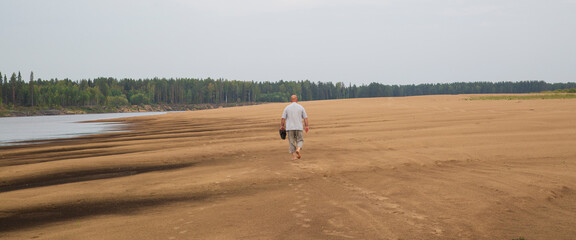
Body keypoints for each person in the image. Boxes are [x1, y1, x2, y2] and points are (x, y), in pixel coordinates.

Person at [280, 95, 309, 160]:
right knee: (300, 140)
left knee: (291, 142)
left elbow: (283, 118)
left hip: (290, 128)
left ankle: (294, 156)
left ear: (291, 100)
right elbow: (305, 118)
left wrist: (282, 126)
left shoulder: (287, 108)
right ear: (297, 99)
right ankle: (298, 149)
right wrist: (306, 126)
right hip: (299, 127)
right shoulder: (301, 107)